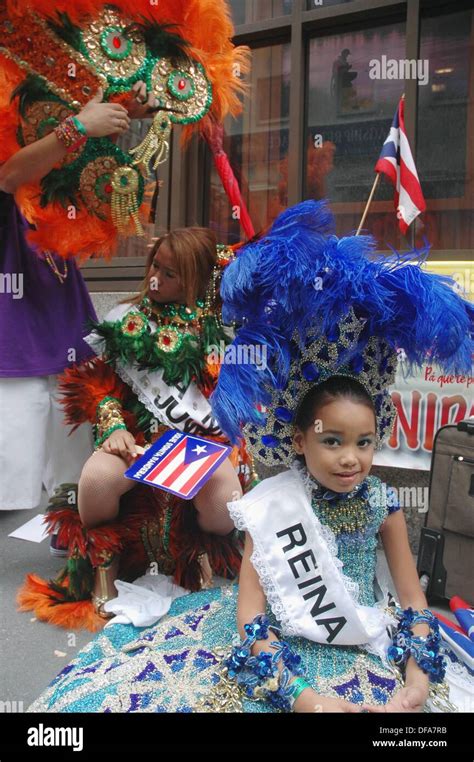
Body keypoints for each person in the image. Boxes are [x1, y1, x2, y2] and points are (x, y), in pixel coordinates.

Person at [27, 200, 473, 712]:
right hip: (282, 662)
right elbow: (250, 619)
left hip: (362, 644)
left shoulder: (383, 503)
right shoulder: (270, 503)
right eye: (333, 440)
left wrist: (415, 686)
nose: (351, 459)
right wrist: (306, 699)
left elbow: (414, 605)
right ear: (298, 439)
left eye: (364, 442)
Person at [18, 227, 253, 628]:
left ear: (197, 279)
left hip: (197, 446)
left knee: (224, 501)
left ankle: (196, 557)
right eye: (155, 266)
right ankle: (104, 565)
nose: (157, 279)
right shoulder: (126, 320)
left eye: (172, 273)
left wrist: (219, 445)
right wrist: (111, 422)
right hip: (138, 445)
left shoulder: (225, 334)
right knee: (95, 480)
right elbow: (92, 381)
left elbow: (235, 406)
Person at [0, 88, 132, 515]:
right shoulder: (18, 171)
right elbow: (8, 175)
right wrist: (77, 126)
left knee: (76, 481)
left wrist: (125, 108)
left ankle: (80, 556)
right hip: (14, 343)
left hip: (68, 336)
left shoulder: (58, 188)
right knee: (8, 483)